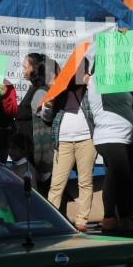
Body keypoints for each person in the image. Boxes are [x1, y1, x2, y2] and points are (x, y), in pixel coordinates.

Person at [41, 60, 97, 232]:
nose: (78, 74)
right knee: (57, 184)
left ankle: (82, 221)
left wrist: (91, 85)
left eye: (82, 69)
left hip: (87, 139)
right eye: (75, 70)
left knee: (85, 181)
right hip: (63, 141)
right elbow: (46, 117)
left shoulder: (91, 89)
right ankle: (52, 221)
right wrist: (49, 103)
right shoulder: (60, 90)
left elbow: (100, 108)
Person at [87, 66, 133, 233]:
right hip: (110, 137)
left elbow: (131, 100)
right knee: (122, 177)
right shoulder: (99, 80)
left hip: (123, 137)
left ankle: (121, 217)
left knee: (121, 177)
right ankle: (113, 218)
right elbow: (117, 97)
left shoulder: (119, 80)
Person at [15, 53, 55, 195]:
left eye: (26, 67)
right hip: (30, 150)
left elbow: (46, 116)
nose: (24, 71)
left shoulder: (41, 91)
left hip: (37, 151)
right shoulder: (34, 88)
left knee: (42, 189)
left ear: (35, 68)